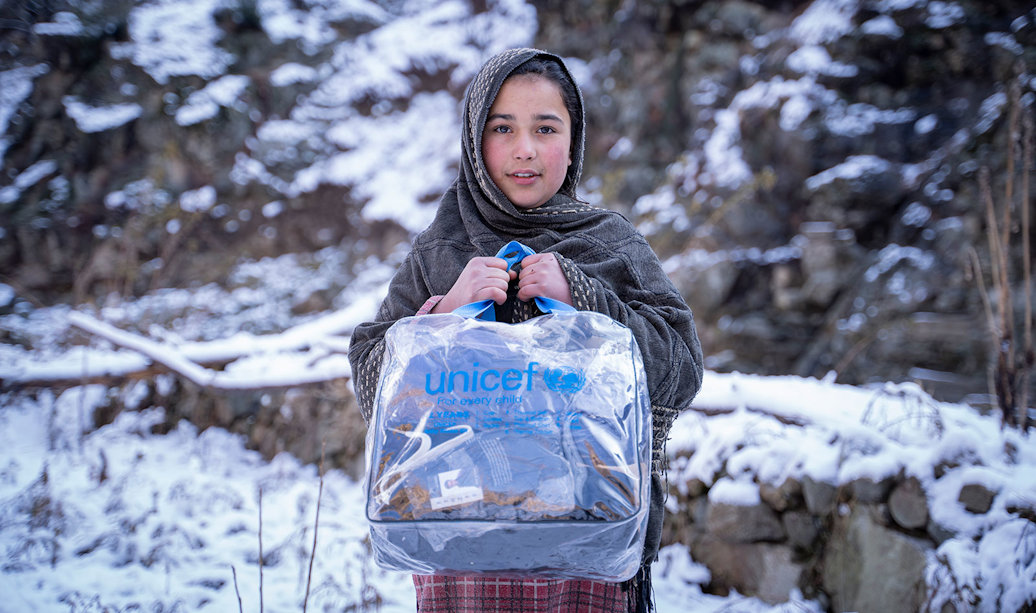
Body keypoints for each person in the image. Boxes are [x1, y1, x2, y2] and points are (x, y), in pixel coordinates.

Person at [348, 47, 704, 613]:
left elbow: (681, 371)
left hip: (587, 551)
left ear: (574, 139)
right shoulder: (440, 251)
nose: (525, 149)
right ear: (473, 138)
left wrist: (586, 299)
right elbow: (373, 384)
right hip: (461, 554)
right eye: (502, 128)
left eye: (546, 128)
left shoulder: (611, 246)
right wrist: (444, 314)